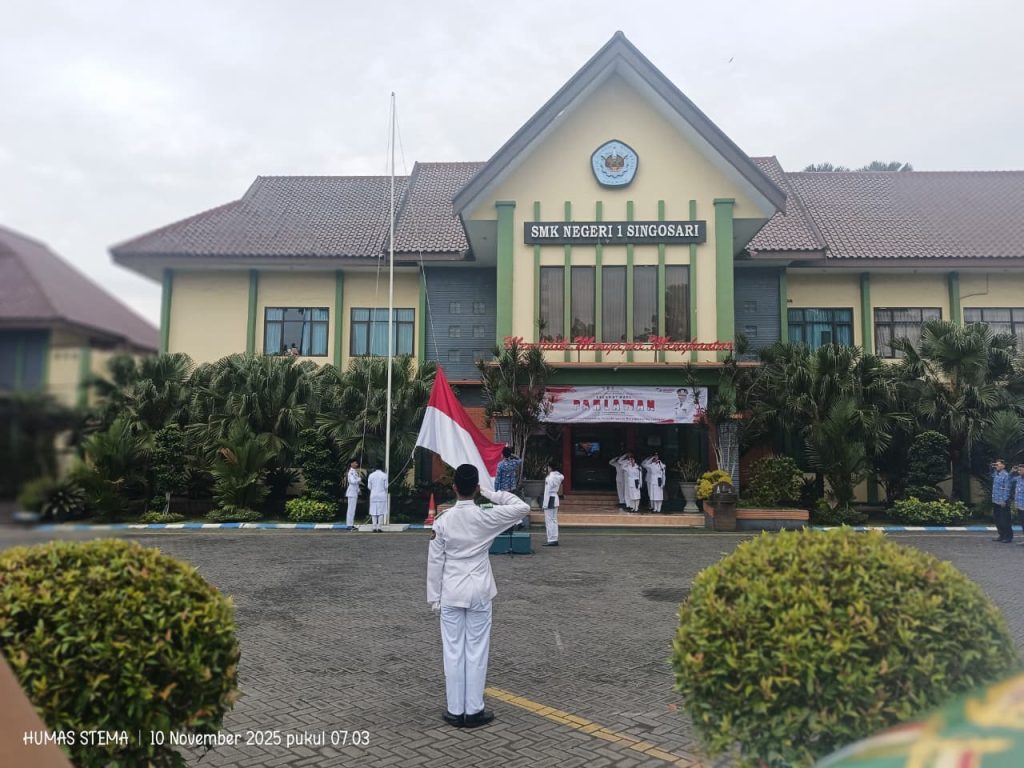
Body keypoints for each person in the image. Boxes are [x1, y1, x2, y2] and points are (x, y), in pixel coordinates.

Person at [426, 464, 531, 728]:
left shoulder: (443, 521)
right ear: (475, 488)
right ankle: (473, 710)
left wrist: (434, 599)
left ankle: (454, 709)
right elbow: (522, 508)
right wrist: (490, 493)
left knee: (452, 652)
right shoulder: (486, 516)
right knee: (476, 650)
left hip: (450, 592)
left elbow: (434, 563)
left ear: (453, 487)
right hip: (479, 592)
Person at [495, 447, 527, 530]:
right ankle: (519, 522)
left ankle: (510, 524)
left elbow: (498, 478)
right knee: (511, 505)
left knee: (504, 506)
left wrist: (496, 489)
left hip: (503, 489)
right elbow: (520, 460)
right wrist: (512, 455)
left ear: (502, 455)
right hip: (512, 488)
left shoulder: (500, 465)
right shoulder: (513, 463)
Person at [542, 462, 564, 547]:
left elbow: (547, 490)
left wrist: (544, 504)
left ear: (550, 468)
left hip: (550, 498)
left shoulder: (550, 478)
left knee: (549, 520)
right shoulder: (558, 476)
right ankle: (554, 538)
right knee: (554, 520)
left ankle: (551, 539)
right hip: (555, 497)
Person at [991, 459, 1012, 542]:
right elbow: (990, 474)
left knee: (1005, 520)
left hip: (1003, 501)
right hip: (996, 500)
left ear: (1003, 466)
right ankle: (1001, 535)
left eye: (998, 464)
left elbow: (1007, 489)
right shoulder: (996, 474)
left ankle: (1008, 537)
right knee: (997, 519)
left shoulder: (1006, 475)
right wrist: (992, 467)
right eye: (996, 464)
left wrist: (1004, 500)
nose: (996, 466)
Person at [367, 465, 388, 532]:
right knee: (381, 512)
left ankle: (374, 527)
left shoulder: (371, 475)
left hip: (373, 495)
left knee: (373, 512)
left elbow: (369, 487)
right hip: (381, 495)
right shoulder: (384, 475)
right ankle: (379, 527)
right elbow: (386, 486)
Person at [345, 459, 362, 529]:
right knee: (351, 509)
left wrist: (358, 490)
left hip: (354, 492)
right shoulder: (351, 472)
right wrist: (359, 479)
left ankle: (351, 524)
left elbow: (356, 484)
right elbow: (352, 481)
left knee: (353, 509)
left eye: (357, 463)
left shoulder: (354, 471)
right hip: (351, 492)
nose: (356, 464)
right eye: (355, 463)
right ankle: (349, 525)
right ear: (351, 464)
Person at [1014, 464, 1024, 541]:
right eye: (1018, 470)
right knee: (1022, 523)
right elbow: (1009, 480)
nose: (1019, 471)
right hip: (1020, 505)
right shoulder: (1018, 478)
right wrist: (1011, 472)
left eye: (1021, 470)